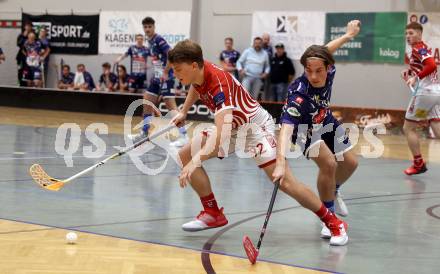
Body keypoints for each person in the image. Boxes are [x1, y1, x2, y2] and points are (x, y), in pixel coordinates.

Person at [168, 39, 349, 246]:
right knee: (185, 154)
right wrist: (184, 110)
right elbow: (196, 86)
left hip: (255, 129)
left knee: (285, 182)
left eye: (178, 70)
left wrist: (196, 160)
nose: (176, 75)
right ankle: (212, 212)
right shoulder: (200, 69)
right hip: (233, 127)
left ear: (193, 65)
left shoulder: (220, 86)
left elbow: (222, 133)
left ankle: (334, 223)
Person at [274, 20, 360, 240]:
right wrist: (281, 162)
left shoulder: (327, 68)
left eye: (319, 70)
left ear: (328, 67)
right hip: (303, 128)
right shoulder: (299, 94)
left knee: (350, 162)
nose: (313, 76)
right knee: (329, 162)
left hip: (324, 118)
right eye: (308, 70)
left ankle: (334, 189)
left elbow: (326, 50)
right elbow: (285, 128)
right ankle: (329, 218)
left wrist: (349, 35)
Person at [129, 16, 187, 147]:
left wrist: (166, 72)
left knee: (171, 107)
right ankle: (144, 134)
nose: (147, 29)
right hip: (156, 78)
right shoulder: (149, 41)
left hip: (166, 77)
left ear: (154, 27)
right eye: (145, 27)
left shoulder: (159, 39)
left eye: (150, 26)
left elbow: (171, 54)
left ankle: (184, 136)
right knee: (147, 102)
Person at [401, 22, 440, 175]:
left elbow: (431, 66)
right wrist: (409, 73)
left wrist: (415, 78)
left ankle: (418, 164)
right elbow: (424, 66)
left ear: (419, 33)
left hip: (425, 94)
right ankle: (418, 164)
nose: (408, 37)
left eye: (411, 33)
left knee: (408, 128)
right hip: (435, 93)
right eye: (406, 34)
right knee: (437, 129)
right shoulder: (422, 48)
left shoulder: (419, 48)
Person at [16, 22, 33, 86]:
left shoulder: (33, 35)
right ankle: (21, 85)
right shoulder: (21, 35)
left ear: (31, 28)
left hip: (30, 58)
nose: (28, 28)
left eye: (29, 26)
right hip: (21, 58)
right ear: (25, 27)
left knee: (28, 73)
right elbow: (18, 44)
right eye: (27, 26)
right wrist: (24, 36)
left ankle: (28, 87)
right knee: (20, 72)